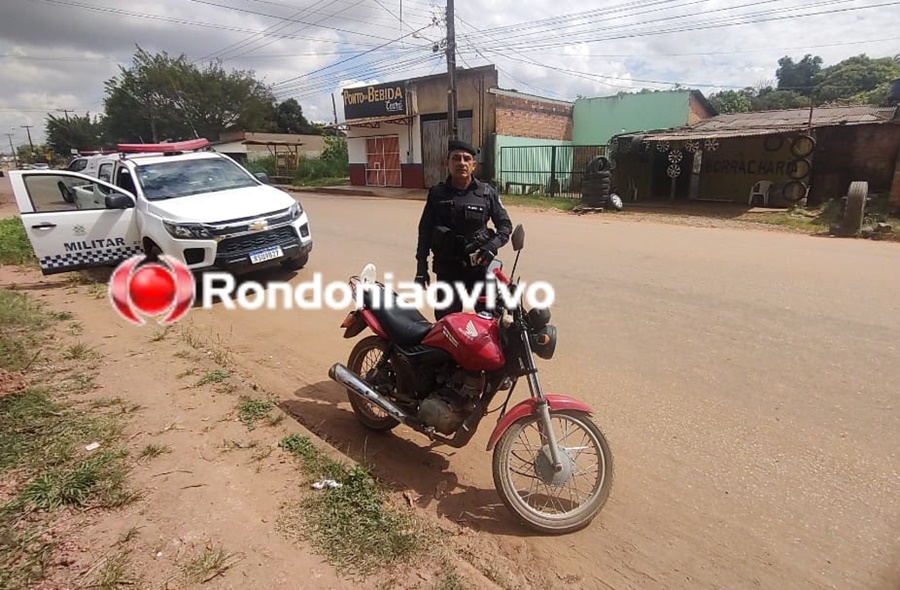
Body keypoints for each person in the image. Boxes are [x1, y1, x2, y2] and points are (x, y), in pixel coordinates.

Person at [415, 139, 513, 319]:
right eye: (456, 158)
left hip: (479, 269)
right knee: (447, 324)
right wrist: (421, 268)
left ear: (473, 165)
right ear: (447, 163)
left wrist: (492, 247)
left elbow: (505, 227)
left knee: (492, 321)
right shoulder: (437, 194)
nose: (462, 163)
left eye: (467, 159)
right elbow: (425, 231)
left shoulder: (486, 193)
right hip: (448, 270)